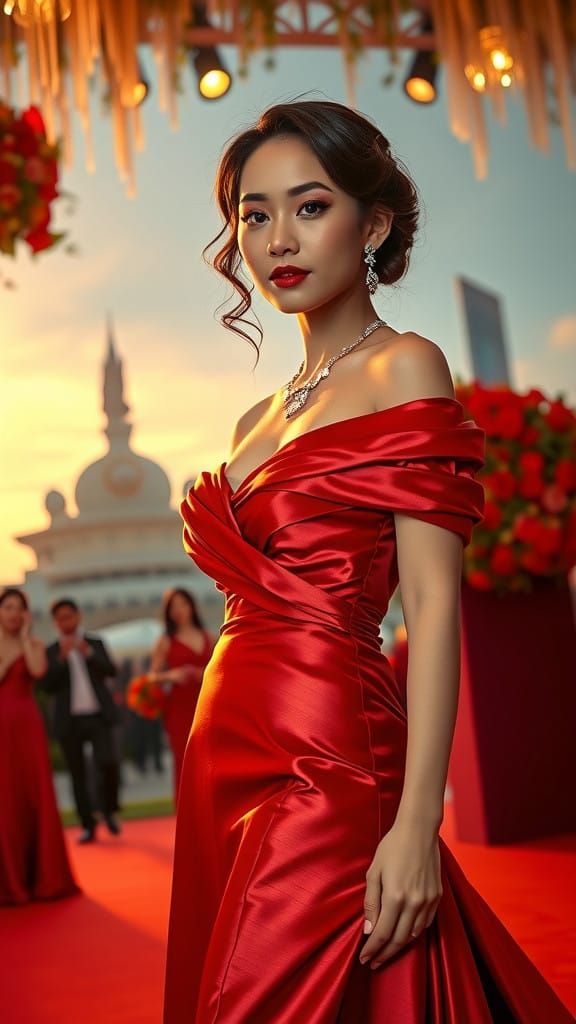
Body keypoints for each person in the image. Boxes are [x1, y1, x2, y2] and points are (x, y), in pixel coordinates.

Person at [164, 101, 573, 1022]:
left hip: (330, 755)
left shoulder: (405, 367)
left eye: (309, 207)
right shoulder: (252, 422)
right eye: (255, 215)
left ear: (374, 223)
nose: (278, 239)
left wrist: (418, 820)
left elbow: (431, 608)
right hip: (222, 753)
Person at [0, 588, 79, 905]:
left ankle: (43, 879)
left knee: (34, 794)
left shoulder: (32, 644)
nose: (14, 614)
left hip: (27, 728)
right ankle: (11, 881)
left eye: (19, 608)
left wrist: (26, 636)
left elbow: (37, 671)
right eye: (7, 607)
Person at [42, 598, 121, 844]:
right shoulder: (52, 651)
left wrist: (88, 655)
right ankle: (88, 824)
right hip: (70, 721)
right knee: (77, 774)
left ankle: (108, 811)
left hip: (98, 716)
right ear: (55, 622)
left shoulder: (94, 643)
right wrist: (60, 661)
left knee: (107, 763)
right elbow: (47, 686)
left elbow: (111, 670)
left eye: (69, 616)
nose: (66, 622)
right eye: (60, 618)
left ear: (77, 616)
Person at [150, 588, 216, 801]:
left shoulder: (210, 637)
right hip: (179, 709)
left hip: (209, 707)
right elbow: (152, 677)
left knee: (212, 761)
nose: (179, 610)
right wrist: (173, 675)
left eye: (183, 604)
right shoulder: (166, 641)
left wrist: (203, 673)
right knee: (186, 763)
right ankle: (188, 822)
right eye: (173, 606)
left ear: (192, 606)